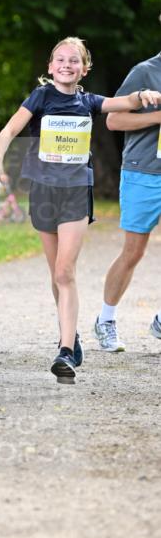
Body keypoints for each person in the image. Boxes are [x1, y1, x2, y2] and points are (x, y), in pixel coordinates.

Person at [0, 36, 160, 383]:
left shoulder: (89, 101)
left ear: (84, 69)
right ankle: (71, 334)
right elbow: (10, 129)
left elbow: (120, 102)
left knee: (66, 271)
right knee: (56, 275)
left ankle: (65, 352)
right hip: (44, 192)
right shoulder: (41, 97)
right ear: (50, 67)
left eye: (74, 61)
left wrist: (142, 97)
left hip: (77, 193)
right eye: (60, 60)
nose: (66, 65)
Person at [94, 52, 161, 350]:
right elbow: (114, 120)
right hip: (144, 172)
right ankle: (105, 320)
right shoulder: (145, 71)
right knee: (133, 251)